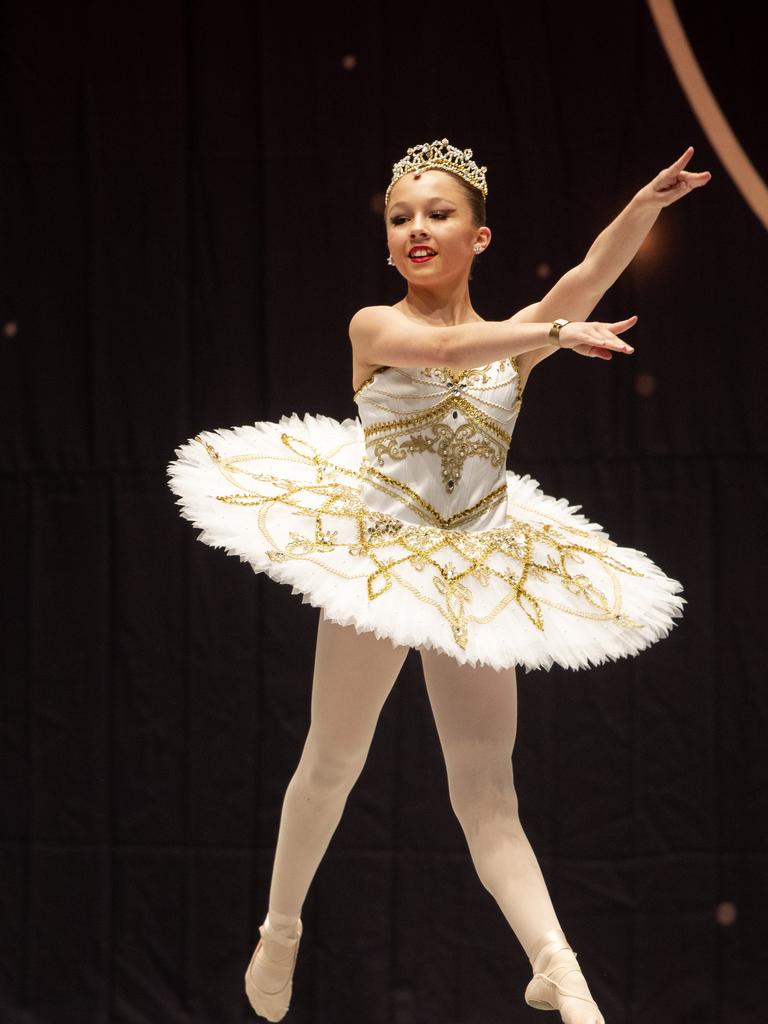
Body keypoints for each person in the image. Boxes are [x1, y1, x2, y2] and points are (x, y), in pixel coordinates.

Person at [166, 138, 711, 1023]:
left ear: (480, 237)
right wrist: (553, 332)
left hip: (476, 565)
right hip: (384, 554)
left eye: (438, 214)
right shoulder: (373, 328)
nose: (417, 228)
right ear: (387, 245)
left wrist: (646, 206)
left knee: (489, 792)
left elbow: (589, 272)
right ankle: (281, 926)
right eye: (400, 219)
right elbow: (455, 357)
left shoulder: (519, 339)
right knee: (334, 760)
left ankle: (560, 971)